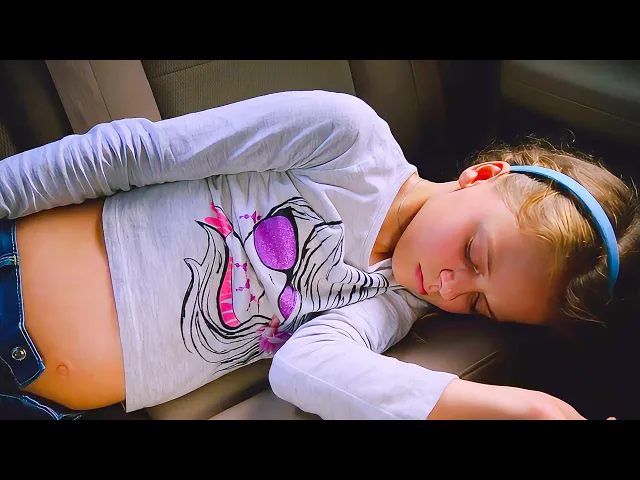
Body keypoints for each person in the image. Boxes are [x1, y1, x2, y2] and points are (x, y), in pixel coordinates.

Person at [0, 90, 637, 420]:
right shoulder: (346, 140)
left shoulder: (396, 303)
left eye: (478, 305)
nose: (449, 286)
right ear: (482, 176)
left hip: (41, 403)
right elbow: (133, 155)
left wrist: (519, 408)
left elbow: (305, 366)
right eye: (474, 253)